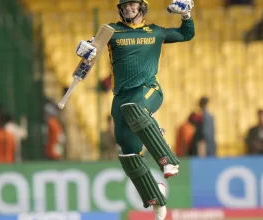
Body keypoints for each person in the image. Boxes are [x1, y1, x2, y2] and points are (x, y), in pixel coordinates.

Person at [75, 0, 195, 219]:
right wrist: (85, 50)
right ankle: (156, 197)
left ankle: (168, 160)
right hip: (121, 97)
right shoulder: (113, 31)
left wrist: (187, 16)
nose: (128, 8)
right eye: (125, 5)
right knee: (128, 151)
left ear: (142, 7)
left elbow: (186, 34)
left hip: (149, 90)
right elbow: (92, 48)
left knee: (136, 107)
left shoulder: (156, 31)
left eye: (132, 4)